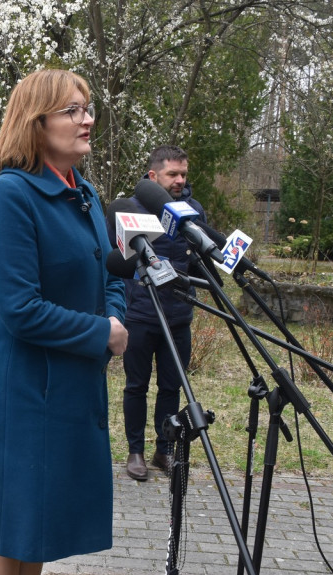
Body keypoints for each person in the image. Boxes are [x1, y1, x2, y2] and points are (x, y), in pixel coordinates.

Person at [0, 70, 128, 575]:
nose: (86, 119)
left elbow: (109, 270)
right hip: (24, 385)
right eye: (72, 110)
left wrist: (114, 314)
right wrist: (101, 335)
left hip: (72, 381)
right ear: (37, 122)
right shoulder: (11, 195)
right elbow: (19, 307)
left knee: (37, 516)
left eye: (88, 109)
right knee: (11, 515)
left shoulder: (84, 193)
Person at [114, 145, 206, 481]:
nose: (180, 180)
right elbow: (116, 262)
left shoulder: (192, 210)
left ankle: (164, 449)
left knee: (171, 387)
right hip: (140, 315)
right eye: (173, 174)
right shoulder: (129, 211)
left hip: (179, 316)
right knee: (136, 386)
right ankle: (135, 450)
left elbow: (198, 259)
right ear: (153, 176)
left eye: (184, 173)